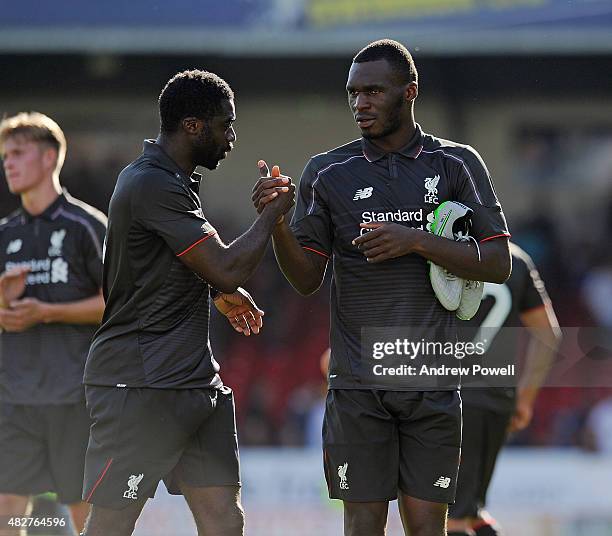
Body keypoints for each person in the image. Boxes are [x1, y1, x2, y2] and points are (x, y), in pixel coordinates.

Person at [253, 39, 512, 536]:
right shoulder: (327, 173)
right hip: (358, 387)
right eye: (353, 93)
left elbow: (498, 262)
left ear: (409, 91)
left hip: (431, 387)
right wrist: (278, 224)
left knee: (425, 528)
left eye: (373, 91)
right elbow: (306, 279)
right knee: (363, 526)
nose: (360, 103)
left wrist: (415, 241)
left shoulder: (456, 164)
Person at [80, 69, 294, 536]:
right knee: (111, 526)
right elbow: (226, 265)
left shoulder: (174, 182)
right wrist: (272, 216)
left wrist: (219, 292)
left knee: (223, 519)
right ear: (194, 126)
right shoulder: (150, 183)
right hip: (139, 386)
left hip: (194, 381)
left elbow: (180, 267)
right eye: (226, 125)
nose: (232, 138)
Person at [0, 112, 107, 535]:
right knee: (8, 507)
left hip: (72, 395)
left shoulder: (87, 227)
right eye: (5, 155)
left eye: (18, 153)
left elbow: (118, 304)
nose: (8, 163)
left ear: (49, 159)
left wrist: (46, 312)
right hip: (14, 395)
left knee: (80, 507)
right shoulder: (4, 235)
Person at [447, 243, 561, 536]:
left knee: (451, 518)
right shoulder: (518, 259)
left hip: (449, 401)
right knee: (472, 512)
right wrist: (525, 398)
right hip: (498, 400)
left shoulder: (440, 251)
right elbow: (549, 334)